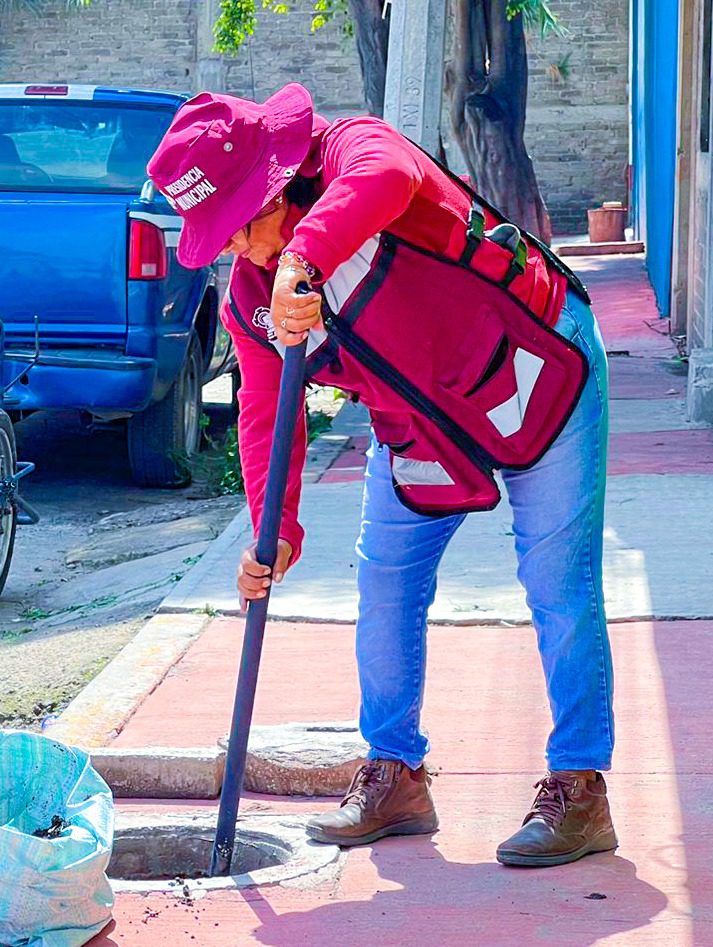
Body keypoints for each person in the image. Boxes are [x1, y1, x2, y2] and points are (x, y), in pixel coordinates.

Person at [147, 85, 615, 868]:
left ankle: (580, 787)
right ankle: (394, 771)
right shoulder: (251, 299)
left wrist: (304, 256)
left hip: (535, 369)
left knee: (557, 584)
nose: (235, 251)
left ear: (277, 184)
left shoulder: (352, 150)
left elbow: (387, 176)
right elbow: (269, 414)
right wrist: (275, 529)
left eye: (237, 227)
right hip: (420, 420)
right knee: (385, 582)